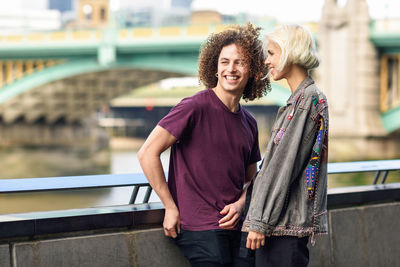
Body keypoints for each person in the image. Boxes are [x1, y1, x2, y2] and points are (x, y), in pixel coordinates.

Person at [138, 23, 271, 267]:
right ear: (215, 66)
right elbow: (147, 153)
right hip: (199, 229)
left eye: (239, 62)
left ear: (252, 69)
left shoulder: (249, 123)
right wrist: (169, 206)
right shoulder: (194, 107)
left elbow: (252, 179)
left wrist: (241, 204)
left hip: (238, 227)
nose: (230, 69)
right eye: (224, 61)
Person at [242, 24, 329, 267]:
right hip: (279, 224)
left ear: (289, 52)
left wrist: (259, 222)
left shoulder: (306, 101)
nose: (267, 61)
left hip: (283, 228)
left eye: (271, 53)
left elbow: (282, 167)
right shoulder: (298, 101)